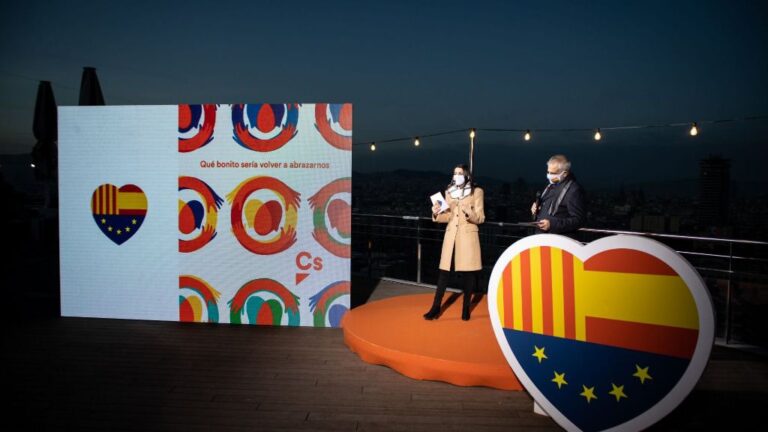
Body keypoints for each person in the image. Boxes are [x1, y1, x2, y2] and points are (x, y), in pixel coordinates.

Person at [424, 164, 485, 321]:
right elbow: (448, 217)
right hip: (451, 236)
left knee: (468, 274)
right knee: (443, 273)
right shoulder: (449, 192)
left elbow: (480, 218)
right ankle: (435, 308)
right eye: (454, 173)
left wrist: (468, 211)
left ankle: (466, 309)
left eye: (459, 173)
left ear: (466, 175)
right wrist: (436, 212)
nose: (456, 175)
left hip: (467, 236)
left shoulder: (476, 191)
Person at [531, 154, 586, 237]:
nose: (549, 175)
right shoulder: (550, 185)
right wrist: (536, 210)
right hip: (541, 238)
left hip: (558, 242)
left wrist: (552, 225)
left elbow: (578, 220)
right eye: (548, 172)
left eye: (553, 173)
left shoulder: (573, 190)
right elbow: (547, 212)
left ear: (564, 173)